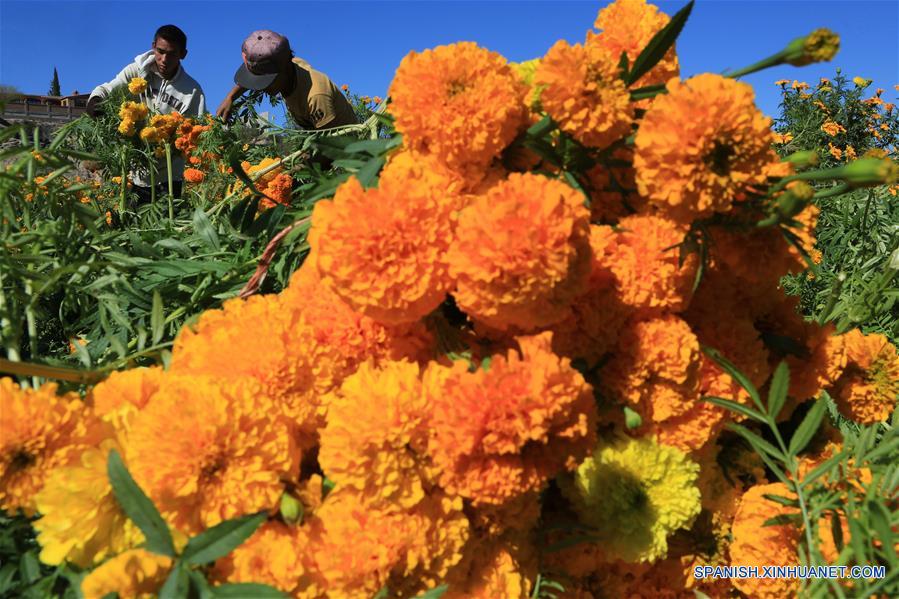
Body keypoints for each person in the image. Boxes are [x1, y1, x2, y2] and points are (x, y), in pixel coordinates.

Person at [87, 25, 206, 200]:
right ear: (153, 46)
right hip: (132, 172)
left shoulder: (191, 91)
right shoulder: (136, 71)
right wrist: (95, 100)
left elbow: (193, 134)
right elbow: (109, 87)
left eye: (172, 54)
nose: (164, 59)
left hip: (168, 178)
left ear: (183, 54)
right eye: (160, 51)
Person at [216, 30, 356, 131]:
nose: (260, 88)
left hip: (346, 150)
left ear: (284, 71)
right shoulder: (289, 65)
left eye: (265, 81)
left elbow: (331, 146)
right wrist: (230, 98)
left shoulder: (315, 97)